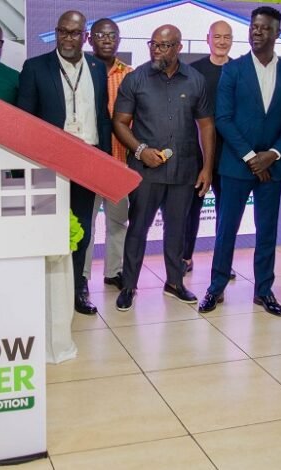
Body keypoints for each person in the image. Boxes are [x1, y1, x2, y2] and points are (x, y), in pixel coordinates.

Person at [197, 6, 281, 316]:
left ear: (277, 34)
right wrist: (252, 156)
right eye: (254, 27)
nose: (257, 32)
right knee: (226, 229)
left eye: (264, 28)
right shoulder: (234, 69)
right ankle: (216, 288)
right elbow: (224, 119)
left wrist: (273, 154)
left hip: (273, 166)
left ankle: (264, 290)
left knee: (266, 230)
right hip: (236, 164)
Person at [113, 24, 215, 311]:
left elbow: (206, 125)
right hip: (146, 170)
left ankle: (174, 282)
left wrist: (207, 167)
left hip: (184, 170)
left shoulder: (195, 79)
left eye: (164, 45)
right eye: (153, 44)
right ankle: (129, 285)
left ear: (178, 47)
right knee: (138, 229)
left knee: (177, 229)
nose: (156, 50)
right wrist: (141, 150)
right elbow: (120, 122)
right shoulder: (135, 79)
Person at [17, 10, 112, 315]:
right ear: (56, 33)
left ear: (85, 37)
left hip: (88, 159)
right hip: (51, 161)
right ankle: (43, 287)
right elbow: (26, 120)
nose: (68, 38)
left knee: (83, 227)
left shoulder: (97, 67)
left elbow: (102, 116)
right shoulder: (35, 67)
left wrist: (106, 161)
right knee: (48, 227)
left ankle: (77, 287)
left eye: (74, 33)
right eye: (63, 32)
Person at [82, 18, 133, 292]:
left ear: (119, 39)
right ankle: (82, 276)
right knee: (85, 223)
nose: (107, 39)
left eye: (112, 35)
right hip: (86, 164)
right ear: (90, 39)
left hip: (119, 161)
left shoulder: (130, 73)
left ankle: (115, 271)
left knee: (118, 222)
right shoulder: (80, 70)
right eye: (100, 34)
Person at [182, 20, 235, 278]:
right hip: (197, 154)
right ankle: (185, 257)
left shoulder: (239, 71)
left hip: (229, 155)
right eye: (218, 37)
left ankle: (224, 262)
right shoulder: (194, 72)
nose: (222, 41)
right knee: (191, 210)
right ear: (208, 38)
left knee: (226, 213)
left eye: (227, 37)